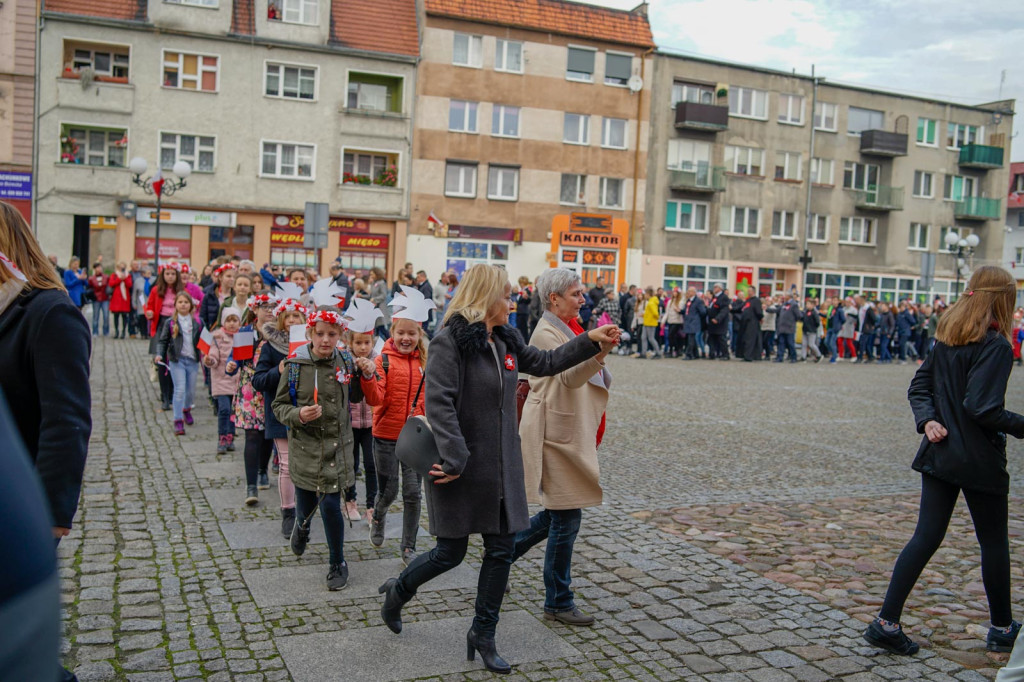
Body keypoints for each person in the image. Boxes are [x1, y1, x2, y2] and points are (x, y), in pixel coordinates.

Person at [375, 264, 619, 674]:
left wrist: (589, 341)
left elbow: (545, 362)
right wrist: (455, 458)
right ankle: (398, 593)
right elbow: (440, 404)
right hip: (458, 465)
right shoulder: (449, 341)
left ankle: (483, 634)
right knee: (449, 554)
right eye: (506, 295)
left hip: (501, 465)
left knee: (501, 551)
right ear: (486, 297)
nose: (513, 302)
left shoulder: (505, 338)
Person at [864, 266, 1024, 656]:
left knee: (926, 536)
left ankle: (886, 621)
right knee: (993, 542)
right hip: (977, 458)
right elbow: (982, 408)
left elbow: (920, 388)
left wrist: (929, 419)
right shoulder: (995, 346)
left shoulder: (948, 337)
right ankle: (1002, 628)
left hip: (941, 454)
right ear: (1004, 298)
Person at [514, 268, 612, 627]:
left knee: (557, 515)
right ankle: (557, 600)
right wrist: (598, 351)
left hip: (566, 429)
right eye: (576, 294)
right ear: (554, 298)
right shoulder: (544, 332)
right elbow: (569, 376)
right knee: (566, 516)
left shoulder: (566, 327)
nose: (583, 299)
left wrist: (598, 348)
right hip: (554, 434)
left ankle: (502, 555)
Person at [272, 307, 362, 592]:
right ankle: (301, 526)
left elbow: (356, 396)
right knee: (306, 502)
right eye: (320, 334)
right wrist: (298, 415)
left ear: (340, 335)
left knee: (332, 507)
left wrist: (366, 373)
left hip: (336, 447)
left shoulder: (345, 360)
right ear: (310, 333)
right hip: (306, 446)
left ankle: (337, 562)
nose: (325, 340)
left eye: (332, 334)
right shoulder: (296, 365)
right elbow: (279, 406)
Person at [357, 287, 432, 565]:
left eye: (412, 333)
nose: (406, 338)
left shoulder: (425, 362)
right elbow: (375, 398)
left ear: (419, 335)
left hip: (414, 437)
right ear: (392, 332)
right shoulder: (383, 361)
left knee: (413, 493)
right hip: (386, 436)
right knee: (388, 490)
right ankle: (378, 516)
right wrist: (367, 377)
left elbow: (428, 399)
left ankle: (408, 547)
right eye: (401, 332)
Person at [253, 298, 308, 537]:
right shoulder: (270, 347)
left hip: (307, 412)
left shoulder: (311, 346)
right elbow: (258, 380)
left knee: (305, 462)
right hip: (280, 411)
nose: (293, 321)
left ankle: (306, 509)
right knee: (286, 464)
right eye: (289, 317)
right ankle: (288, 511)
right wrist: (279, 369)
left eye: (298, 316)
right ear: (281, 320)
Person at [232, 295, 278, 507]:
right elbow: (235, 358)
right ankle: (251, 485)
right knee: (252, 434)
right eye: (265, 307)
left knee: (268, 433)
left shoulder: (279, 334)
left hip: (272, 385)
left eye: (273, 307)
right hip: (250, 387)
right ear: (255, 309)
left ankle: (262, 470)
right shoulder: (246, 331)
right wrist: (231, 365)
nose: (269, 310)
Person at [343, 319, 379, 525]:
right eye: (358, 343)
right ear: (350, 343)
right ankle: (350, 500)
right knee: (351, 463)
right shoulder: (345, 360)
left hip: (372, 422)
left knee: (372, 464)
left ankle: (372, 505)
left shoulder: (378, 360)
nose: (363, 347)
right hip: (350, 422)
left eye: (367, 342)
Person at [156, 292, 203, 436]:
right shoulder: (170, 322)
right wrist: (159, 354)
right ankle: (177, 420)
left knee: (190, 391)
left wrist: (206, 354)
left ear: (191, 305)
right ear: (175, 305)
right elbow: (163, 340)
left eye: (186, 302)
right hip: (177, 360)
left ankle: (186, 409)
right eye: (180, 302)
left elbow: (204, 340)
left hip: (192, 360)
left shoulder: (197, 322)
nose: (183, 304)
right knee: (180, 390)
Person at [145, 264, 185, 410]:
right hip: (161, 324)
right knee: (161, 361)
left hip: (176, 325)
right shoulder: (156, 290)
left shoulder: (181, 291)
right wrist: (149, 313)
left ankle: (174, 393)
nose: (170, 276)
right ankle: (165, 396)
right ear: (163, 275)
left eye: (173, 274)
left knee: (175, 360)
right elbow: (149, 306)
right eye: (167, 273)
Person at [204, 307, 242, 453]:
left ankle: (230, 436)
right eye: (228, 320)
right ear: (223, 322)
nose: (232, 324)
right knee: (224, 410)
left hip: (236, 380)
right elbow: (213, 356)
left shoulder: (242, 337)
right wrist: (209, 361)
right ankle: (222, 437)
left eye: (235, 320)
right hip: (221, 379)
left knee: (233, 410)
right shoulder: (217, 337)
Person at [201, 263, 236, 330]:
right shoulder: (209, 295)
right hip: (213, 332)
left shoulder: (235, 296)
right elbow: (203, 319)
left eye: (234, 277)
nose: (232, 279)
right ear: (220, 277)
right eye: (228, 276)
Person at [108, 262, 133, 339]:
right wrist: (119, 279)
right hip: (116, 298)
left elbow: (129, 285)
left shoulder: (128, 275)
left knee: (124, 316)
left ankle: (123, 332)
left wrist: (124, 279)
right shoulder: (114, 275)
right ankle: (116, 331)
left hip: (124, 299)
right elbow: (111, 284)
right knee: (116, 316)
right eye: (120, 267)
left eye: (123, 267)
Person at [775, 293, 801, 363]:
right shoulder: (784, 304)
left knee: (790, 343)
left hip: (789, 327)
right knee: (781, 343)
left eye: (785, 295)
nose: (784, 296)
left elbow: (798, 315)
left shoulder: (794, 304)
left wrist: (792, 321)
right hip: (782, 327)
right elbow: (778, 311)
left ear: (789, 296)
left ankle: (793, 357)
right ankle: (780, 357)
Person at [738, 289, 763, 361]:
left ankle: (749, 356)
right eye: (748, 291)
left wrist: (760, 318)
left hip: (753, 323)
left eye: (749, 291)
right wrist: (732, 308)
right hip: (746, 323)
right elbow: (741, 308)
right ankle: (746, 355)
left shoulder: (756, 300)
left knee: (750, 340)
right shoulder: (748, 300)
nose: (748, 292)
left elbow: (759, 312)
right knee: (746, 339)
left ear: (753, 291)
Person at [707, 283, 730, 360]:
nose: (714, 288)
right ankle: (712, 354)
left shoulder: (724, 297)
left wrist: (718, 318)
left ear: (720, 288)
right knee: (711, 338)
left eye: (715, 287)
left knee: (721, 339)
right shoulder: (715, 297)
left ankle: (725, 354)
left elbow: (724, 310)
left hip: (720, 322)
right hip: (712, 322)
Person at [682, 287, 706, 360]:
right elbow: (685, 310)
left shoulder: (698, 301)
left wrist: (696, 317)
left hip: (694, 322)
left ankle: (689, 354)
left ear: (694, 293)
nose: (688, 293)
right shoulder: (688, 301)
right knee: (691, 338)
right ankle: (695, 354)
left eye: (690, 291)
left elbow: (703, 311)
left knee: (691, 339)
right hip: (688, 321)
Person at [369, 266, 391, 339]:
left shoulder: (381, 283)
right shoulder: (373, 283)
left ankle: (391, 341)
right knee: (377, 328)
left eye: (372, 274)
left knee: (381, 327)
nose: (371, 276)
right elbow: (371, 295)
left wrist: (374, 299)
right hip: (375, 308)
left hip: (380, 308)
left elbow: (383, 295)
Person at [639, 287, 662, 359]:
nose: (644, 295)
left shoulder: (651, 302)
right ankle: (643, 353)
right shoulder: (651, 301)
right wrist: (644, 315)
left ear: (648, 294)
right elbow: (650, 312)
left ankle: (658, 353)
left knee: (651, 338)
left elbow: (655, 313)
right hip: (647, 322)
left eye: (645, 294)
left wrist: (651, 317)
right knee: (643, 338)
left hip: (650, 323)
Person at [132, 265, 151, 339]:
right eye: (148, 273)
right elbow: (134, 293)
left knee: (148, 320)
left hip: (149, 302)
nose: (149, 274)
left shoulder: (152, 280)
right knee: (142, 319)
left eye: (150, 273)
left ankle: (148, 333)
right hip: (141, 303)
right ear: (143, 274)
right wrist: (134, 303)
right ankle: (143, 333)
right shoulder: (138, 281)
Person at [663, 289, 684, 358]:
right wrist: (663, 321)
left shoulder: (681, 302)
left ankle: (676, 349)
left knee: (671, 335)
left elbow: (681, 310)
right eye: (673, 292)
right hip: (670, 320)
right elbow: (667, 312)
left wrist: (678, 310)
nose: (674, 293)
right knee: (671, 336)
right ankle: (673, 350)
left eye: (676, 292)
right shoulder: (670, 301)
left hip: (677, 321)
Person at [826, 297, 846, 363]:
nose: (834, 302)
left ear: (838, 301)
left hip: (835, 328)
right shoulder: (831, 308)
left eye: (835, 300)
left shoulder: (840, 310)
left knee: (832, 343)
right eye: (833, 300)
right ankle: (833, 353)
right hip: (830, 327)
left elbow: (843, 319)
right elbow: (828, 316)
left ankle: (834, 357)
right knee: (826, 342)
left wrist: (839, 325)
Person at [762, 295, 779, 360]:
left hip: (770, 327)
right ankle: (766, 353)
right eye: (766, 301)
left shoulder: (773, 307)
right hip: (763, 327)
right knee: (763, 341)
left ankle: (768, 354)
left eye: (769, 301)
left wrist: (766, 309)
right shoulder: (764, 307)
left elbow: (771, 311)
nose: (767, 302)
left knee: (766, 341)